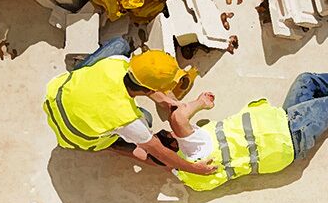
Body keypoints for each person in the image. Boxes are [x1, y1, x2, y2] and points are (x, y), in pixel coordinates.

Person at [131, 48, 328, 191]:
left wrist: (134, 145)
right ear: (172, 142)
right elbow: (178, 116)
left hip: (279, 132)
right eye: (164, 136)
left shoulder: (189, 176)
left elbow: (145, 153)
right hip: (285, 133)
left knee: (306, 81)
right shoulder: (194, 147)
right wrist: (199, 102)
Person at [43, 37, 217, 175]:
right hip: (74, 137)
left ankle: (81, 70)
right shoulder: (128, 119)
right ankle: (112, 145)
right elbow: (160, 153)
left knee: (120, 44)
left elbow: (139, 82)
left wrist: (165, 101)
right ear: (149, 88)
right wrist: (194, 169)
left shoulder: (116, 62)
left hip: (56, 97)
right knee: (147, 120)